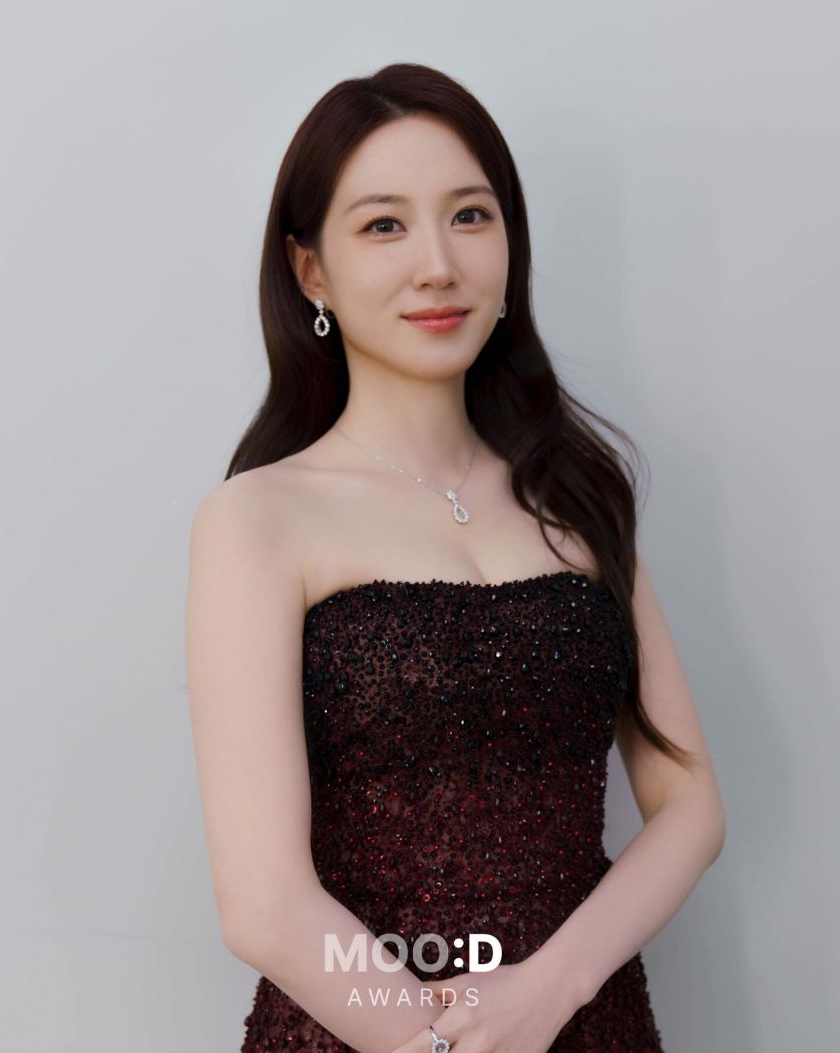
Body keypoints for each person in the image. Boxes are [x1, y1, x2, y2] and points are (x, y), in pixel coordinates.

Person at [184, 62, 726, 1053]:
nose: (437, 265)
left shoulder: (578, 493)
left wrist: (550, 990)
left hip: (588, 1023)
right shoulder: (256, 519)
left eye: (470, 216)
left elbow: (688, 803)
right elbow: (263, 904)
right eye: (383, 225)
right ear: (311, 271)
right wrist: (443, 1044)